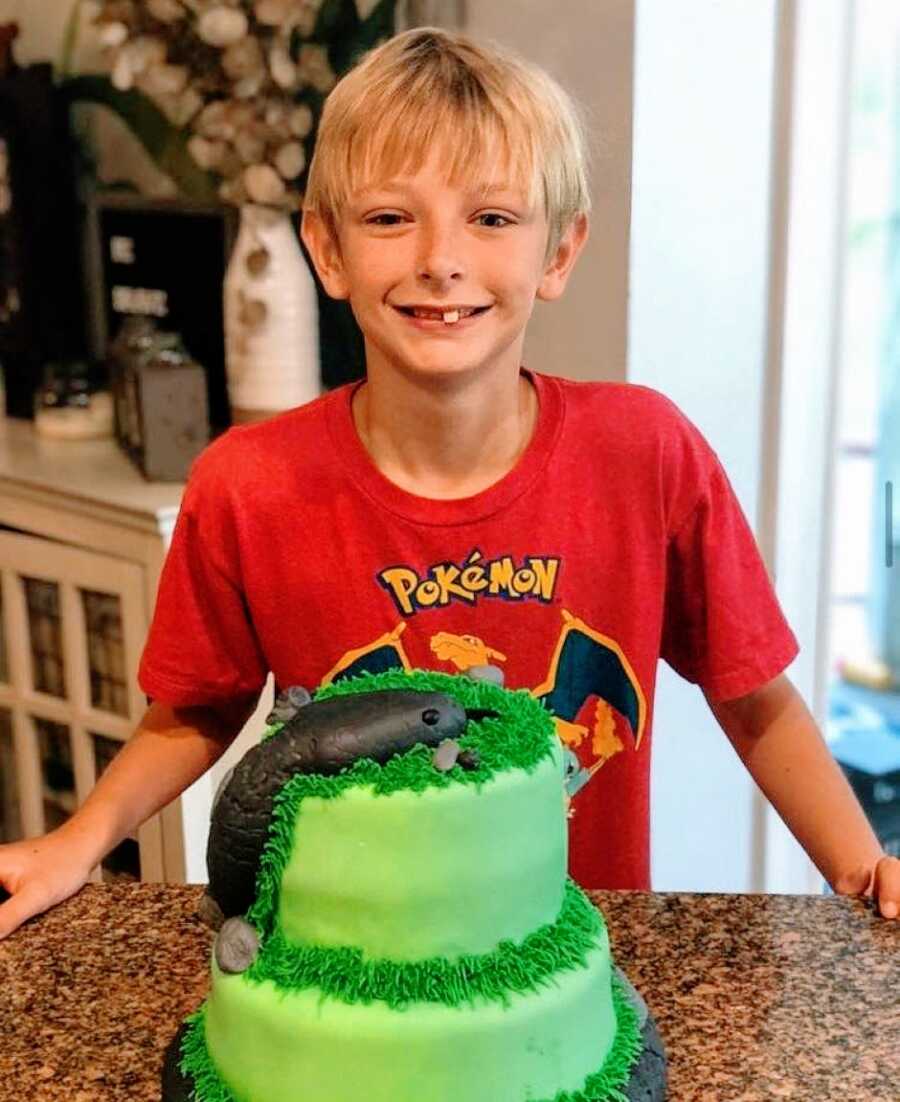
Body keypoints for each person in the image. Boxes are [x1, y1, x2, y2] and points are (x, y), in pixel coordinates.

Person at [0, 26, 897, 940]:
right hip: (347, 951)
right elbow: (193, 709)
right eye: (391, 218)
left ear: (558, 250)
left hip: (575, 965)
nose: (441, 259)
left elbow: (757, 699)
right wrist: (78, 841)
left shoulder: (648, 452)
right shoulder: (246, 486)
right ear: (328, 247)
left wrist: (866, 872)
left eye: (493, 217)